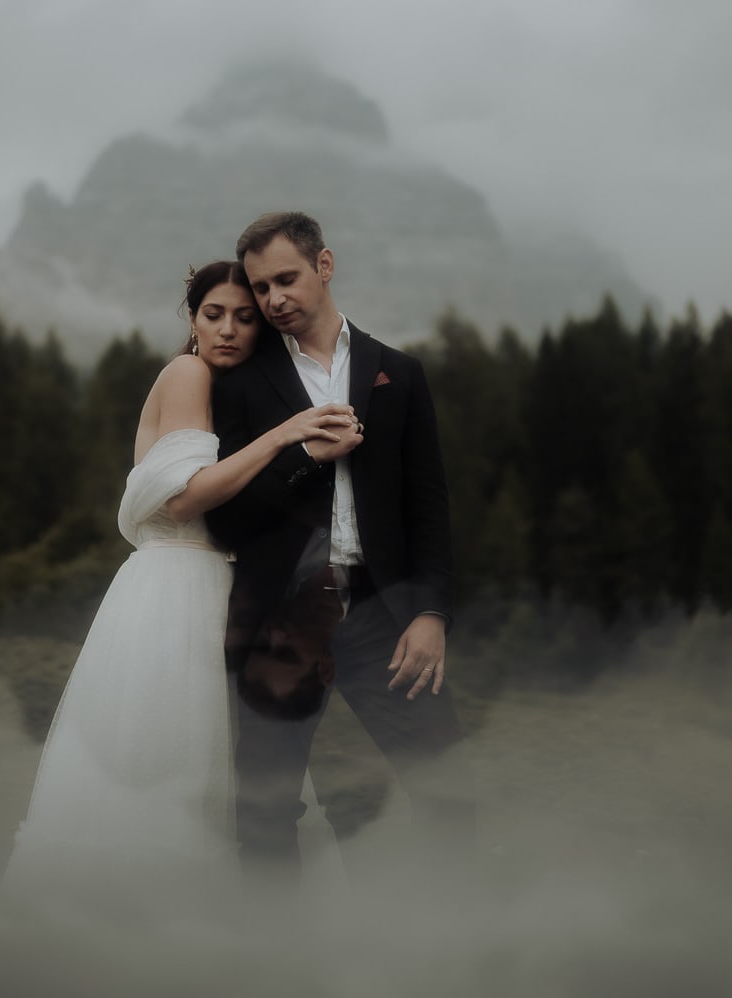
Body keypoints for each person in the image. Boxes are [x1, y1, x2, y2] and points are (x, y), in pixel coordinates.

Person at [0, 260, 356, 911]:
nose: (227, 330)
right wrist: (286, 436)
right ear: (190, 319)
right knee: (171, 770)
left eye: (245, 318)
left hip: (218, 589)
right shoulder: (188, 373)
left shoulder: (236, 391)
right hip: (174, 590)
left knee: (223, 778)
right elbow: (188, 500)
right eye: (213, 314)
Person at [206, 211, 474, 884]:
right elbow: (224, 520)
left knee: (450, 793)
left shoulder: (400, 374)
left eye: (287, 280)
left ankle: (458, 948)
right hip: (279, 621)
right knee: (265, 809)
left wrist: (431, 614)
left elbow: (429, 507)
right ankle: (277, 963)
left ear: (325, 266)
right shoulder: (238, 381)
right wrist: (304, 457)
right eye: (262, 289)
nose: (274, 301)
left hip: (387, 616)